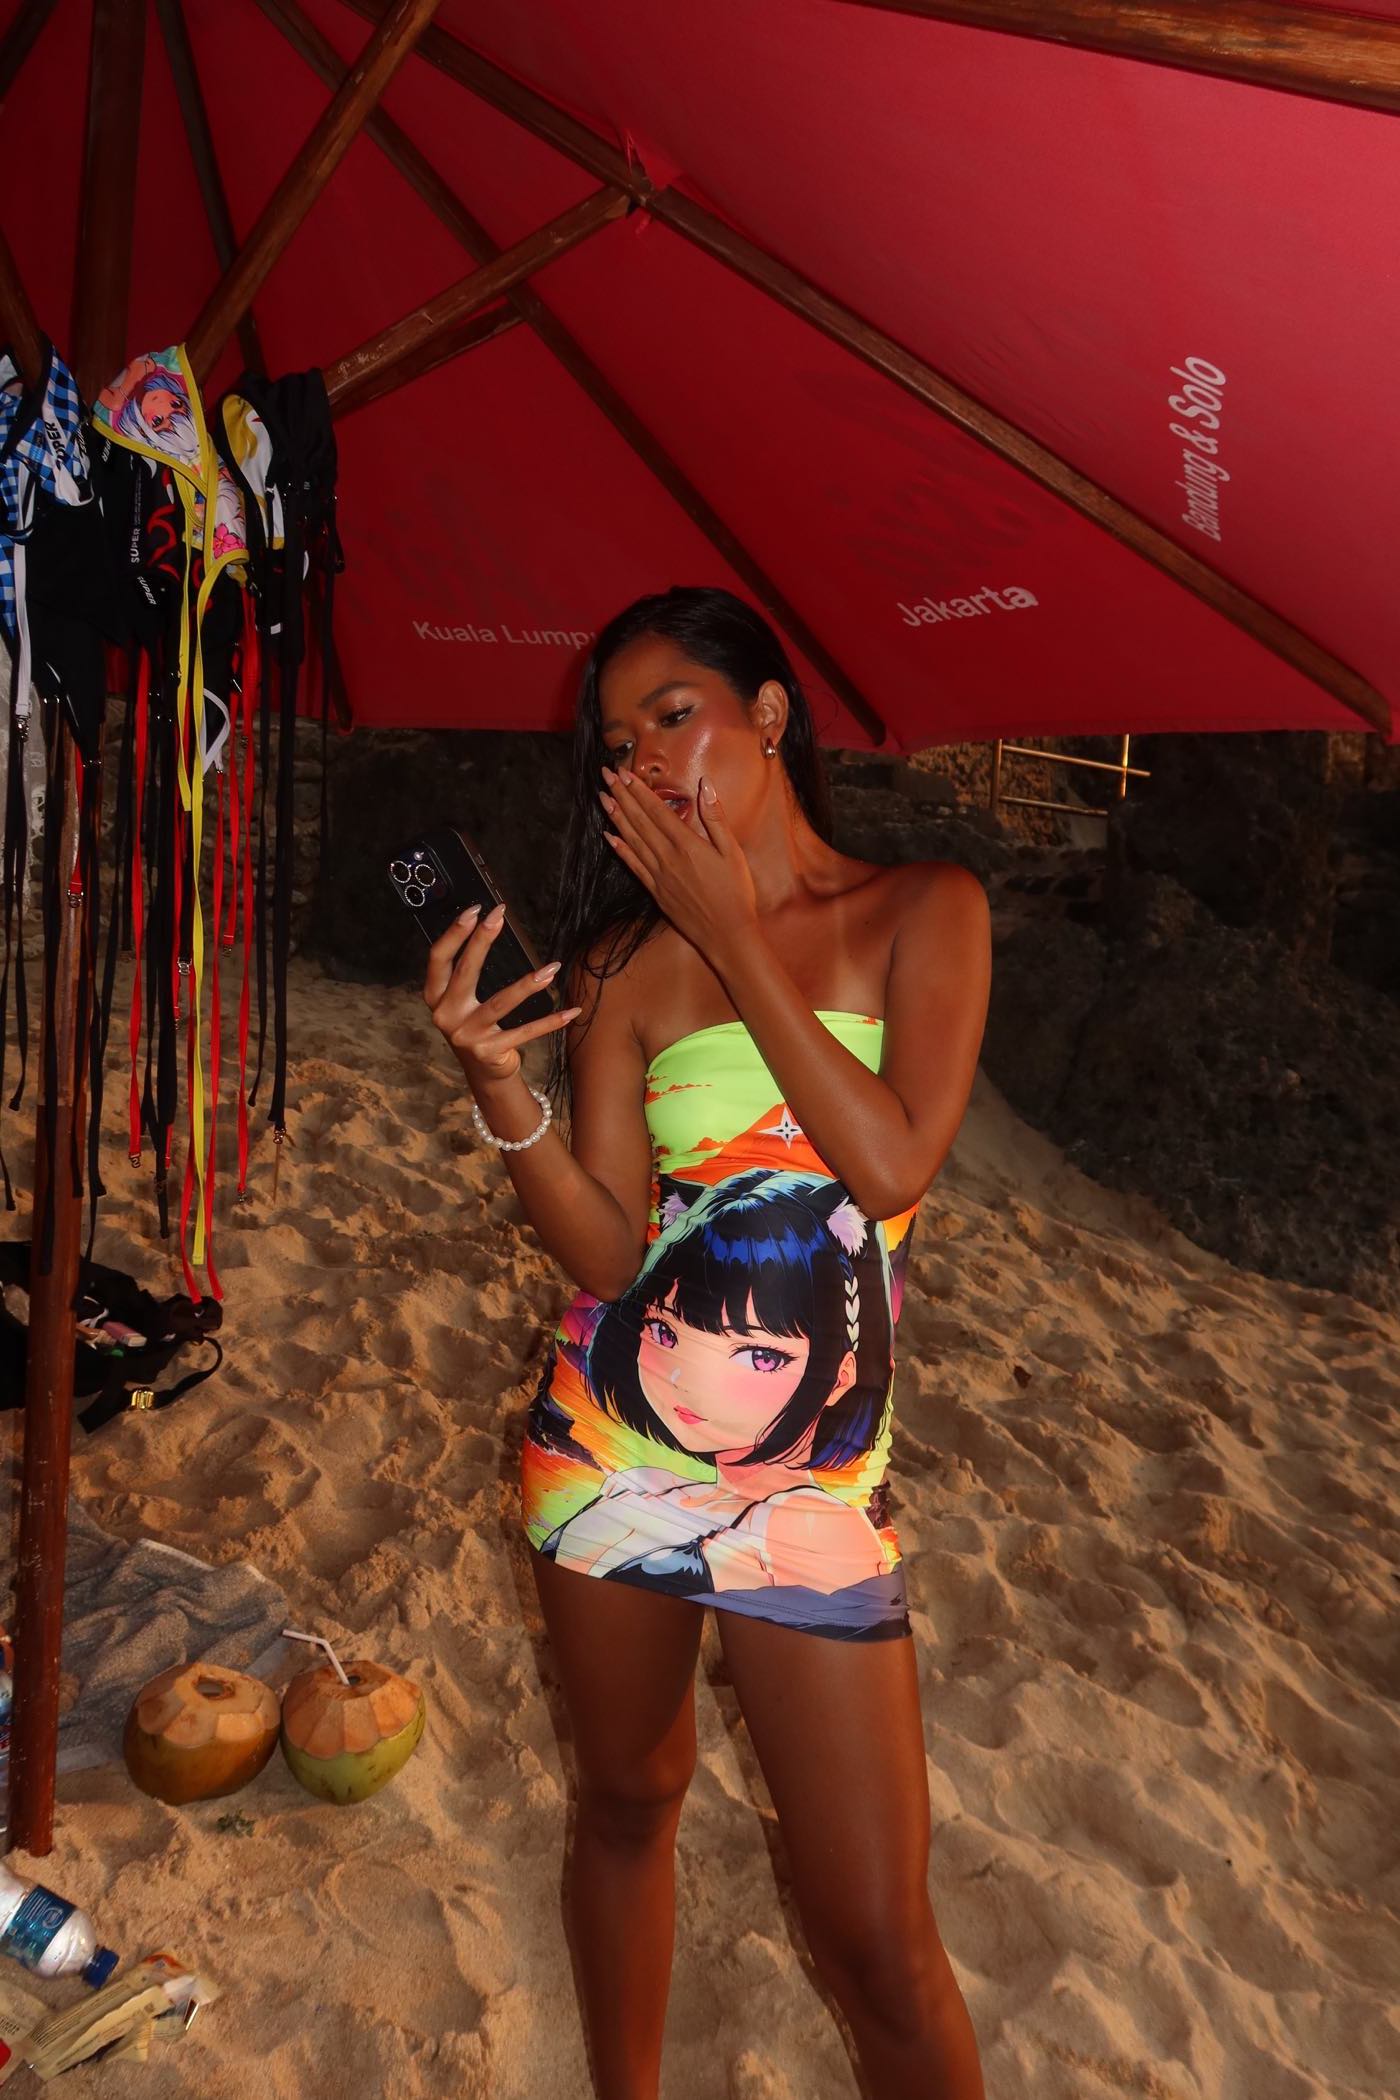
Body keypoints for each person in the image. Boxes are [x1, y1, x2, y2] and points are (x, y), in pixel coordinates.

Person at [423, 587, 991, 2100]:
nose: (645, 760)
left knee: (876, 1937)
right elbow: (607, 1246)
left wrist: (739, 930)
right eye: (616, 744)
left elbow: (890, 1167)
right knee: (624, 1803)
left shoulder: (924, 912)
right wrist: (501, 1089)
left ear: (771, 716)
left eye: (672, 713)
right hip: (607, 1452)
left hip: (811, 1492)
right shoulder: (619, 968)